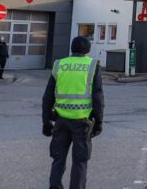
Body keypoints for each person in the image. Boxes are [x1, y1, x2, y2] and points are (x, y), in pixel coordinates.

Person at [42, 36, 104, 189]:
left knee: (58, 158)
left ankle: (55, 186)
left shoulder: (59, 64)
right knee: (80, 161)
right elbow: (98, 98)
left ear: (72, 48)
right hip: (82, 122)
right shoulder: (92, 66)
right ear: (88, 50)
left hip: (60, 120)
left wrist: (46, 121)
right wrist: (99, 123)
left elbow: (48, 96)